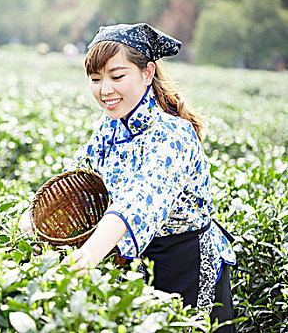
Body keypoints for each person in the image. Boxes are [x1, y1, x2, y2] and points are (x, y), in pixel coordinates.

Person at [19, 23, 236, 331]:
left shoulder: (172, 133)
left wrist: (90, 254)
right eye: (96, 79)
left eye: (117, 76)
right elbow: (77, 180)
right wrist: (29, 226)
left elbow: (141, 199)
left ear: (147, 73)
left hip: (183, 262)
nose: (105, 90)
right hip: (133, 259)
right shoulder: (109, 128)